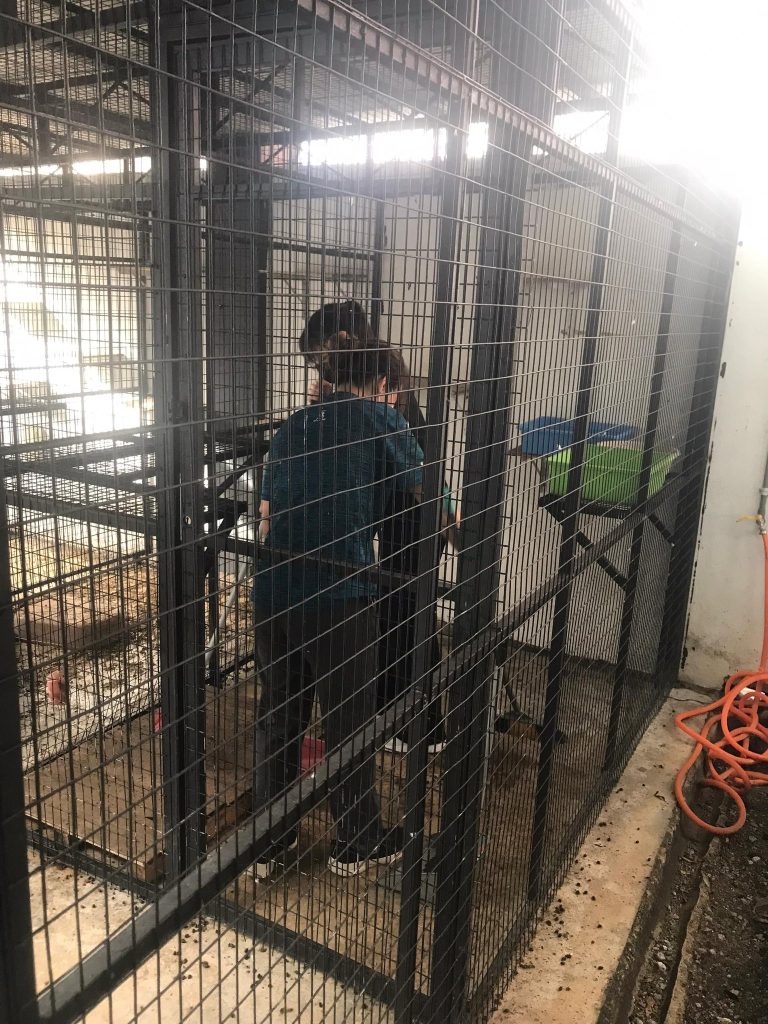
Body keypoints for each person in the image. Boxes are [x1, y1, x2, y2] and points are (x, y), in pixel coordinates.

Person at [252, 334, 424, 879]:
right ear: (383, 383)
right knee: (349, 718)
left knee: (280, 715)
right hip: (339, 594)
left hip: (274, 589)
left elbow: (265, 512)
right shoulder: (381, 419)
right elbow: (425, 487)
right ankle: (357, 839)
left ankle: (268, 843)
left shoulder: (294, 424)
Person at [299, 303, 457, 754]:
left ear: (341, 340)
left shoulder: (383, 380)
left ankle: (420, 730)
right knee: (396, 613)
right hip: (400, 511)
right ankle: (398, 720)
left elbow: (373, 435)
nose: (321, 365)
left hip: (414, 514)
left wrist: (327, 404)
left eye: (321, 354)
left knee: (404, 616)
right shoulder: (375, 372)